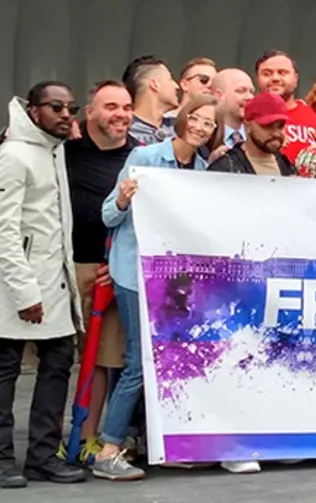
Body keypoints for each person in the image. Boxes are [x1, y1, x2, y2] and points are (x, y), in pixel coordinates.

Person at [91, 95, 219, 481]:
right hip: (134, 271)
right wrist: (125, 199)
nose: (200, 127)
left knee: (166, 360)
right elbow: (108, 214)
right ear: (182, 118)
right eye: (195, 118)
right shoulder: (146, 158)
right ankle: (109, 448)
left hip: (172, 278)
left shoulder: (198, 169)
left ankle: (162, 444)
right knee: (138, 361)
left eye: (209, 124)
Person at [0, 82, 87, 489]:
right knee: (6, 374)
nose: (66, 113)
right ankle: (1, 460)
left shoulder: (54, 151)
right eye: (56, 106)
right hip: (19, 291)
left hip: (56, 287)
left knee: (57, 369)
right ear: (34, 111)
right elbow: (5, 232)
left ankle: (41, 457)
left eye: (71, 107)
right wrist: (25, 292)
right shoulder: (14, 155)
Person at [64, 80, 138, 462]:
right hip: (65, 267)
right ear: (89, 112)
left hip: (113, 269)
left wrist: (118, 262)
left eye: (126, 107)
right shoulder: (66, 151)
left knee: (104, 360)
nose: (121, 115)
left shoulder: (140, 156)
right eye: (110, 107)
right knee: (57, 359)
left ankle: (87, 441)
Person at [255, 50, 316, 163]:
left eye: (282, 73)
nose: (275, 78)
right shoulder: (248, 117)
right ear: (257, 79)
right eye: (267, 73)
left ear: (296, 79)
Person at [207, 92, 295, 176]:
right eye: (267, 126)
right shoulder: (225, 168)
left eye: (281, 126)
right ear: (247, 125)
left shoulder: (286, 165)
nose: (276, 133)